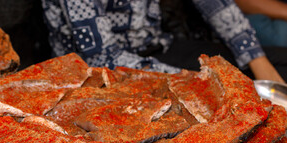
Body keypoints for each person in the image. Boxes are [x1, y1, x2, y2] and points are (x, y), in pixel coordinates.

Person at [41, 0, 286, 83]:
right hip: (99, 73)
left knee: (279, 66)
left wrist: (259, 61)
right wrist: (200, 81)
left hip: (160, 48)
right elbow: (101, 56)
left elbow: (214, 4)